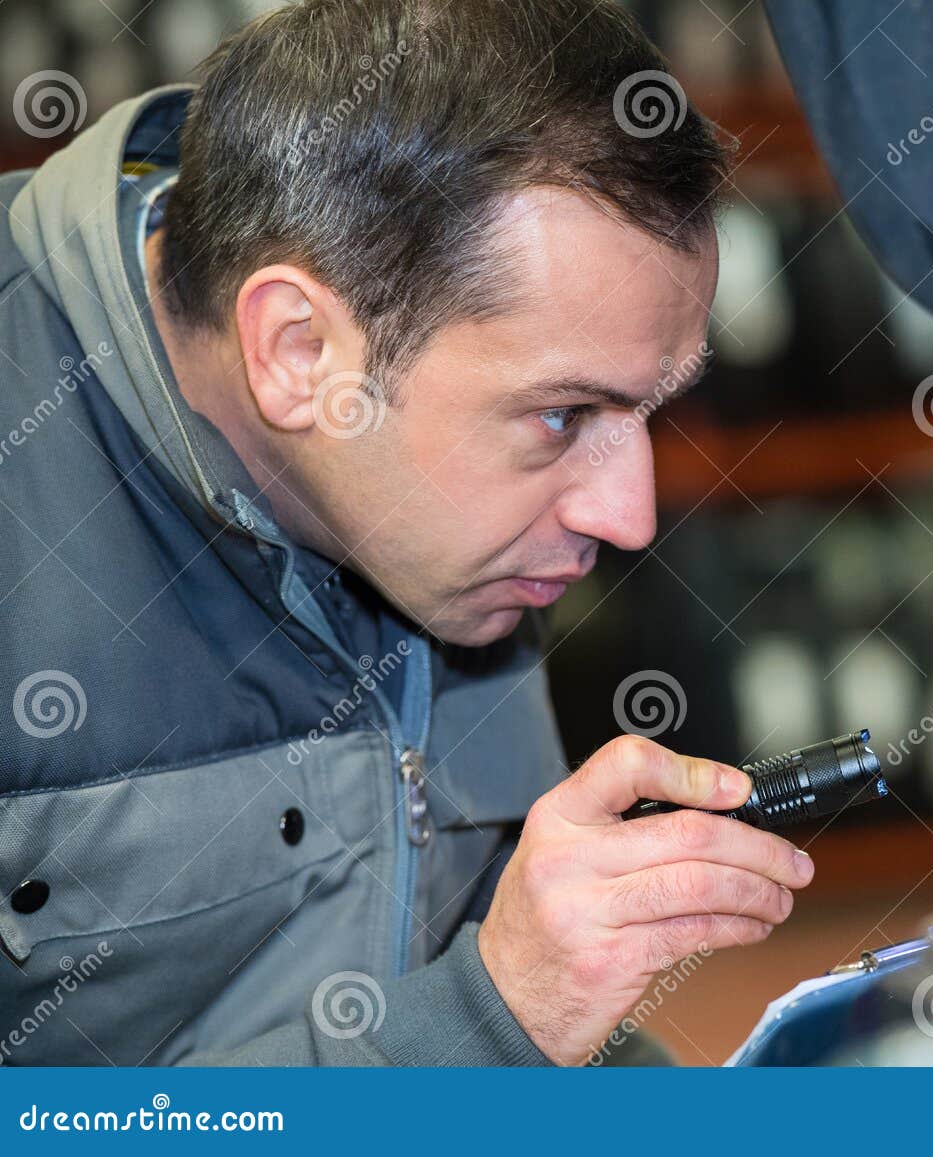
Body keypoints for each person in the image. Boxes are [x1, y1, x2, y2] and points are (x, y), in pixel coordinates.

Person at [0, 0, 812, 1066]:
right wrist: (484, 1021)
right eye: (562, 415)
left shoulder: (461, 537)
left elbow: (479, 966)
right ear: (299, 350)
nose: (628, 516)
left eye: (647, 409)